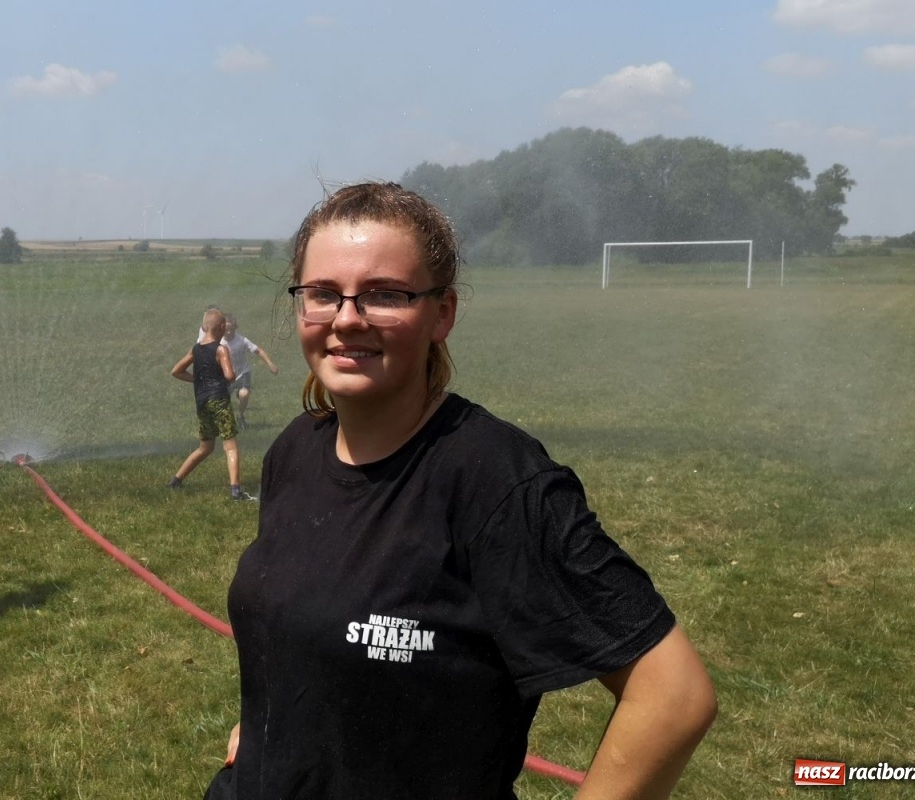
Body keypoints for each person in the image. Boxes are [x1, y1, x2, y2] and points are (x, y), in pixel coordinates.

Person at [215, 183, 715, 798]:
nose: (347, 318)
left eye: (384, 295)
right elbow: (299, 620)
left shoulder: (496, 479)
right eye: (322, 295)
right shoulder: (296, 449)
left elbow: (673, 695)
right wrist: (272, 727)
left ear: (442, 313)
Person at [168, 309, 251, 501]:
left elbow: (176, 371)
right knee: (230, 446)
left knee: (205, 447)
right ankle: (235, 491)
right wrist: (223, 378)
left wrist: (198, 379)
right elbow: (230, 376)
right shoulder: (221, 349)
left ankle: (176, 479)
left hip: (202, 402)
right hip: (219, 400)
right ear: (222, 327)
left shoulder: (195, 349)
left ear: (205, 327)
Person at [219, 314, 279, 429]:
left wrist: (270, 364)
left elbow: (258, 351)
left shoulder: (241, 340)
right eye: (225, 330)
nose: (228, 332)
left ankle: (240, 416)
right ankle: (225, 422)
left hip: (243, 373)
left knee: (244, 394)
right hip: (226, 375)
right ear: (221, 329)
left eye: (231, 329)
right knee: (222, 401)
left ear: (235, 328)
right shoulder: (219, 343)